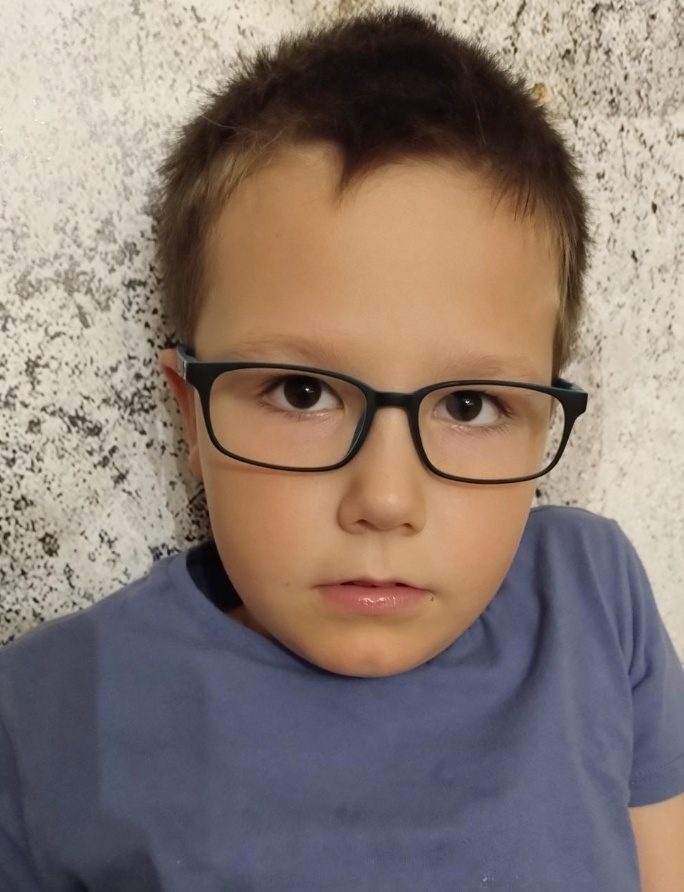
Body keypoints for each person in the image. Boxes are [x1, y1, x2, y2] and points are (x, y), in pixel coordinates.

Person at [1, 7, 682, 890]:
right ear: (191, 415)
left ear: (543, 419)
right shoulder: (48, 716)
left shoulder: (592, 600)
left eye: (470, 404)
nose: (386, 499)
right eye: (302, 393)